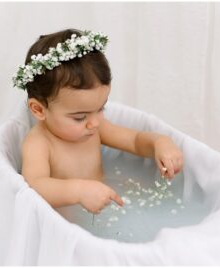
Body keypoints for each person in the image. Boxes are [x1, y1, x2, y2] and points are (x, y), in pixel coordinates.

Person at [16, 29, 184, 215]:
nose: (95, 122)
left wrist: (159, 143)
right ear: (39, 110)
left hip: (102, 200)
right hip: (66, 219)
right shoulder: (39, 142)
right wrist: (78, 191)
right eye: (80, 117)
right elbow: (35, 185)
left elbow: (134, 140)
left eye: (101, 108)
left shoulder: (95, 128)